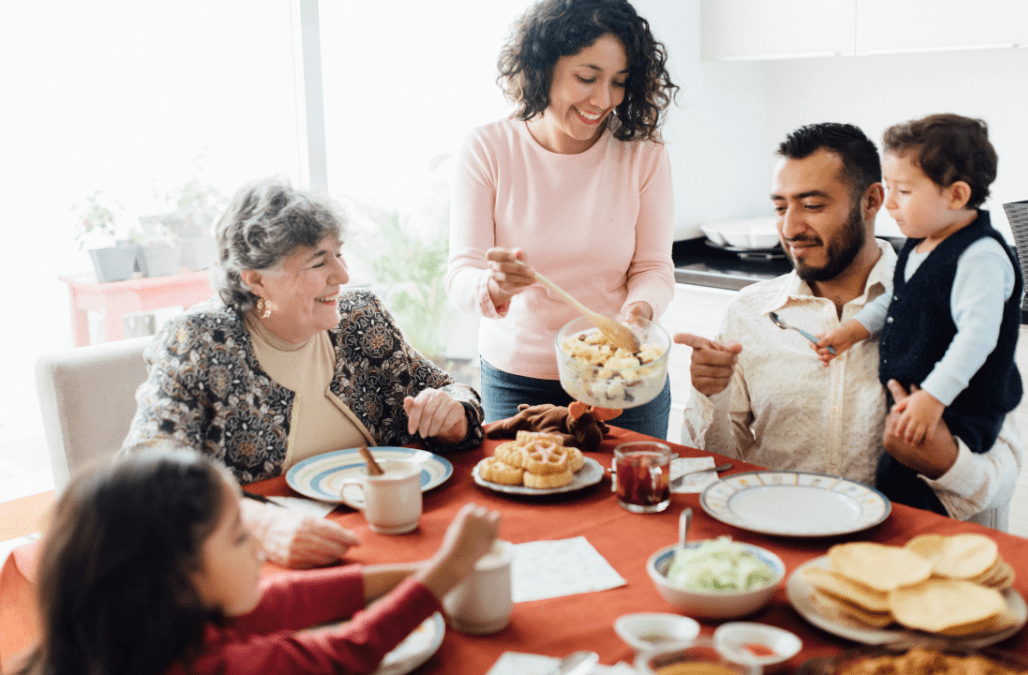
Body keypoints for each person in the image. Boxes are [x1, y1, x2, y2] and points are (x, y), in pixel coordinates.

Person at [122, 176, 485, 568]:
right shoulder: (199, 342)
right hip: (267, 558)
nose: (342, 275)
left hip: (397, 534)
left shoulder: (361, 320)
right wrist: (259, 525)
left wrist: (454, 417)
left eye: (339, 254)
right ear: (256, 279)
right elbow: (147, 476)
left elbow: (454, 393)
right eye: (319, 262)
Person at [675, 123, 1021, 527]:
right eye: (781, 207)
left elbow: (1002, 476)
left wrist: (946, 464)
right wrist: (709, 395)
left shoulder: (952, 300)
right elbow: (709, 470)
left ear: (872, 200)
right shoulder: (748, 313)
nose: (790, 229)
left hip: (899, 546)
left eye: (813, 205)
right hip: (777, 534)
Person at [12, 448, 500, 675]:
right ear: (177, 577)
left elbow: (279, 601)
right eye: (239, 537)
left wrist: (419, 570)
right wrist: (446, 573)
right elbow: (346, 653)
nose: (259, 549)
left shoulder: (133, 638)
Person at [446, 0, 679, 438]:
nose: (603, 99)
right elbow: (460, 277)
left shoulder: (644, 153)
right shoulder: (488, 149)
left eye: (619, 83)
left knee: (628, 502)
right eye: (587, 78)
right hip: (518, 377)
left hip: (621, 378)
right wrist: (493, 286)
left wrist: (638, 313)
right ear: (541, 67)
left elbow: (653, 268)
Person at [813, 115, 1023, 515]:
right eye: (889, 188)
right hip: (923, 399)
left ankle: (929, 543)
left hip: (963, 405)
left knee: (922, 490)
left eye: (903, 190)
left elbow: (977, 337)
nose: (889, 202)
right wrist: (854, 330)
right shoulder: (920, 243)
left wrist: (933, 398)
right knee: (894, 478)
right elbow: (898, 297)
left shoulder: (981, 256)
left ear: (957, 195)